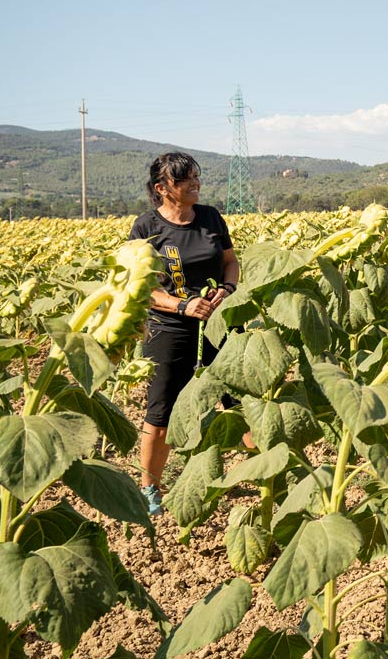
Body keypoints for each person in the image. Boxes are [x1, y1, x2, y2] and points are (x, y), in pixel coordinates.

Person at [129, 152, 239, 517]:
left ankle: (268, 476)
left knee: (240, 400)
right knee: (161, 410)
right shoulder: (146, 227)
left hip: (218, 322)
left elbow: (230, 262)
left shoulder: (210, 217)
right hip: (169, 328)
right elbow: (140, 287)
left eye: (196, 176)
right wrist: (181, 306)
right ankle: (150, 489)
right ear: (162, 188)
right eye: (184, 179)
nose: (195, 183)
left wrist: (226, 289)